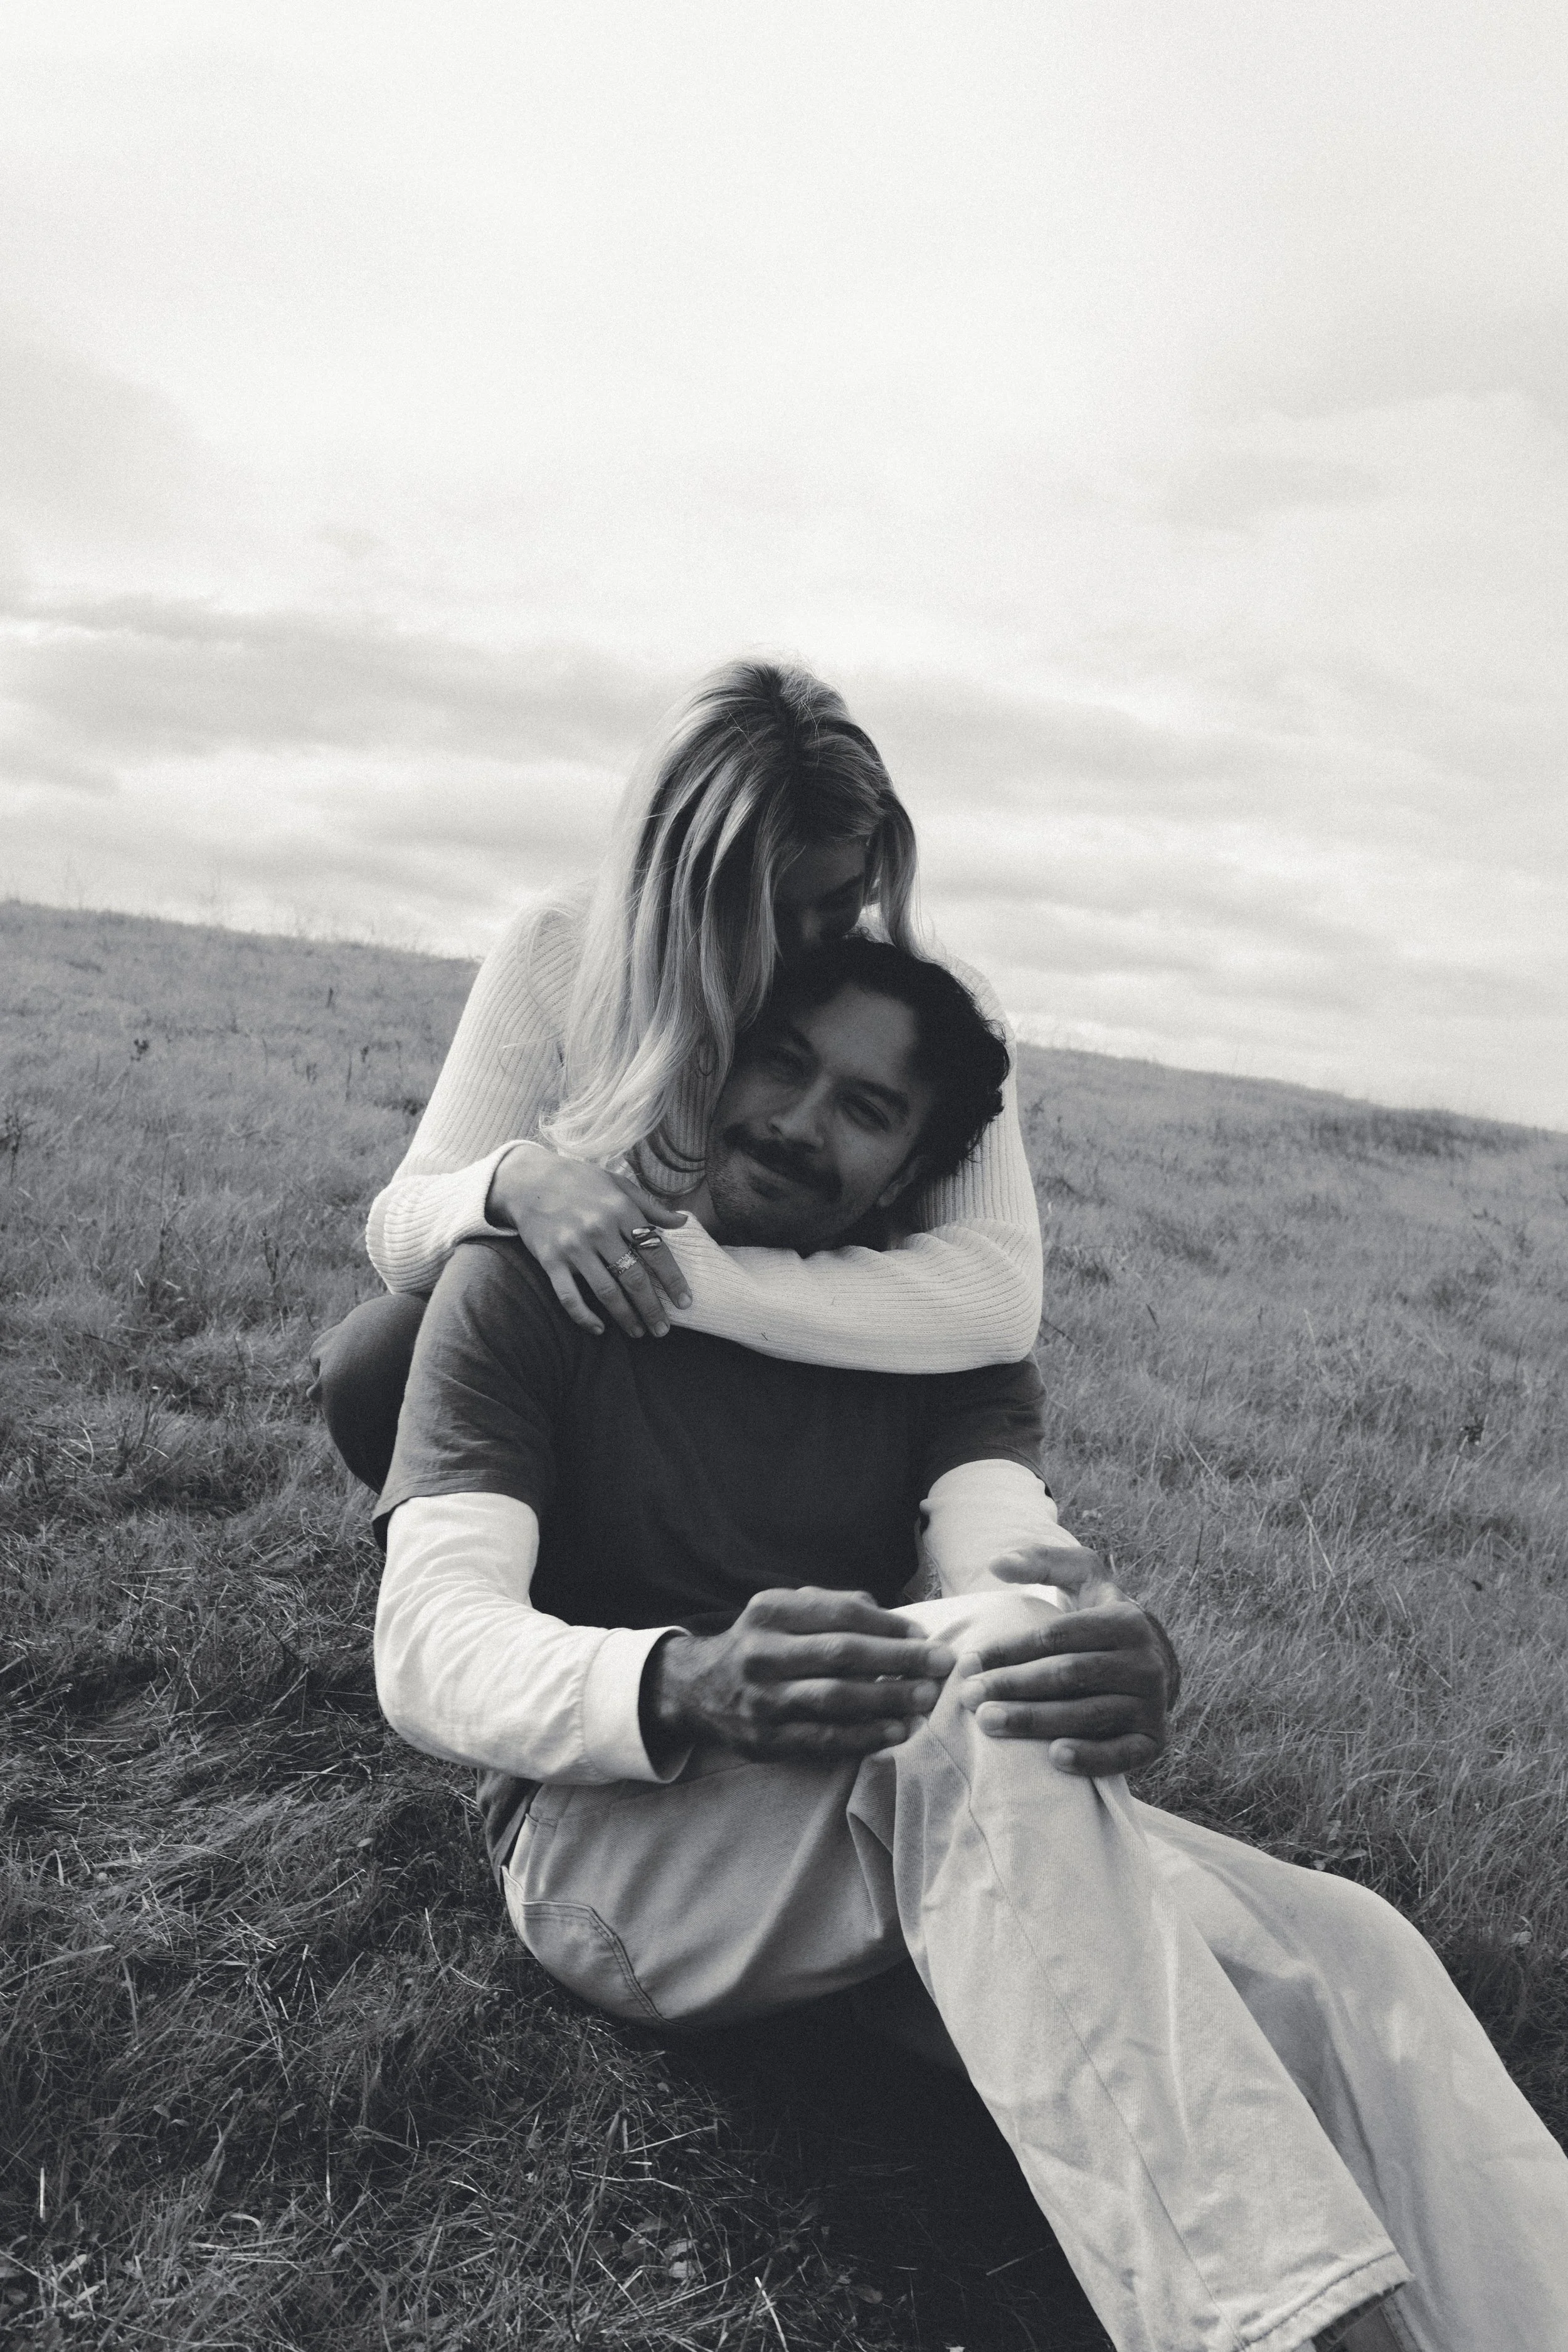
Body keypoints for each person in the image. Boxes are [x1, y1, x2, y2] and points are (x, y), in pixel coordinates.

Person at [371, 938, 1568, 2352]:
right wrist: (683, 1676)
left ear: (909, 1172)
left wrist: (1105, 1647)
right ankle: (1265, 2330)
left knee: (1345, 1947)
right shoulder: (536, 1281)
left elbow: (1003, 1553)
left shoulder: (936, 1346)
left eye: (865, 1111)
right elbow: (428, 1644)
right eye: (783, 1062)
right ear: (712, 1058)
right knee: (971, 1703)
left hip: (901, 1835)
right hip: (613, 1855)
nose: (800, 1123)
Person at [311, 660, 1042, 1495]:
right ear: (671, 870)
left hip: (819, 1395)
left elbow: (998, 1294)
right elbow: (399, 1231)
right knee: (380, 1356)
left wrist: (673, 1279)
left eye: (836, 898)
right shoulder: (563, 946)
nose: (801, 941)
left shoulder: (930, 1000)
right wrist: (518, 1184)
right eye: (755, 901)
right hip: (615, 1380)